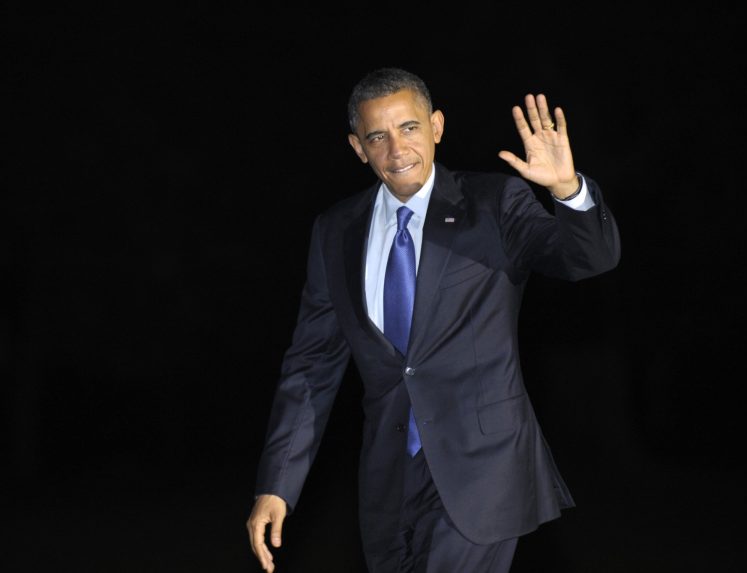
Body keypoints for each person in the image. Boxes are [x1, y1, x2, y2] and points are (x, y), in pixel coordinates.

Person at [247, 67, 620, 573]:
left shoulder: (494, 204)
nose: (397, 150)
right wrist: (277, 484)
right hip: (387, 482)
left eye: (409, 128)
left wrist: (568, 192)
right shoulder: (336, 231)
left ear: (437, 126)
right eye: (377, 137)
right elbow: (312, 365)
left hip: (482, 471)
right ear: (358, 147)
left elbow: (587, 260)